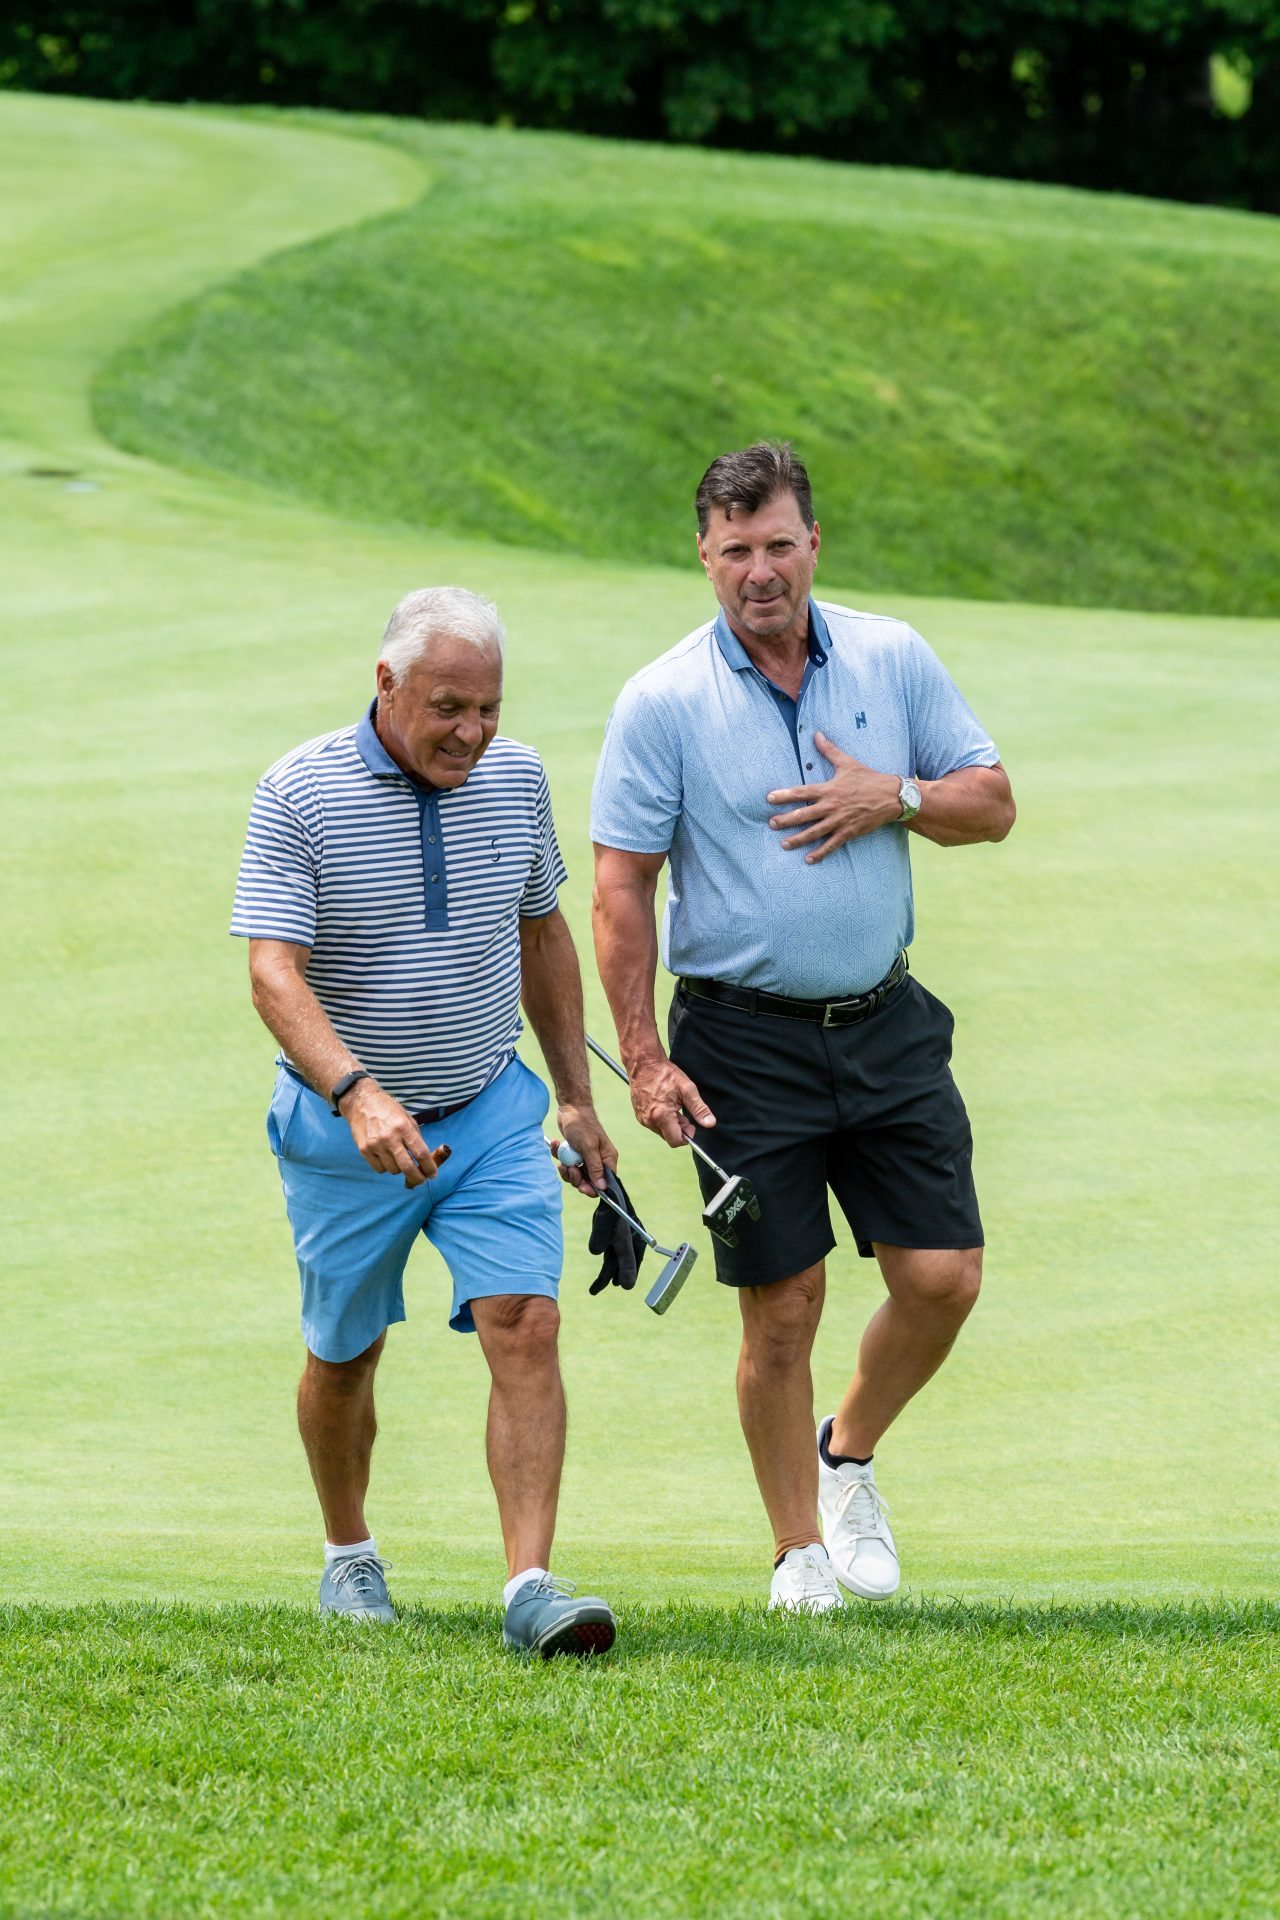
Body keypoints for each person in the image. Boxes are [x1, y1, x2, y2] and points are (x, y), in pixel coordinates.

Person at [590, 443, 1015, 1613]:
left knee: (943, 1277)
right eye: (735, 551)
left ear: (812, 544)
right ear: (703, 556)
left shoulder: (890, 656)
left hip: (884, 1021)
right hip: (738, 1043)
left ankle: (845, 1455)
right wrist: (641, 1058)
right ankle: (796, 1555)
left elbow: (991, 803)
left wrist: (896, 794)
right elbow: (621, 887)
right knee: (782, 1307)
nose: (759, 571)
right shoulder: (661, 700)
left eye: (778, 544)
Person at [232, 585, 618, 1656]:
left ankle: (531, 1587)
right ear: (386, 684)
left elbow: (542, 934)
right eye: (448, 707)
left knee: (525, 1321)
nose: (471, 733)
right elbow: (272, 971)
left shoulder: (517, 778)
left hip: (489, 1110)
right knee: (344, 1353)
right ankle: (348, 1555)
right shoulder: (298, 791)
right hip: (344, 1133)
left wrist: (576, 1099)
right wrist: (356, 1091)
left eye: (488, 708)